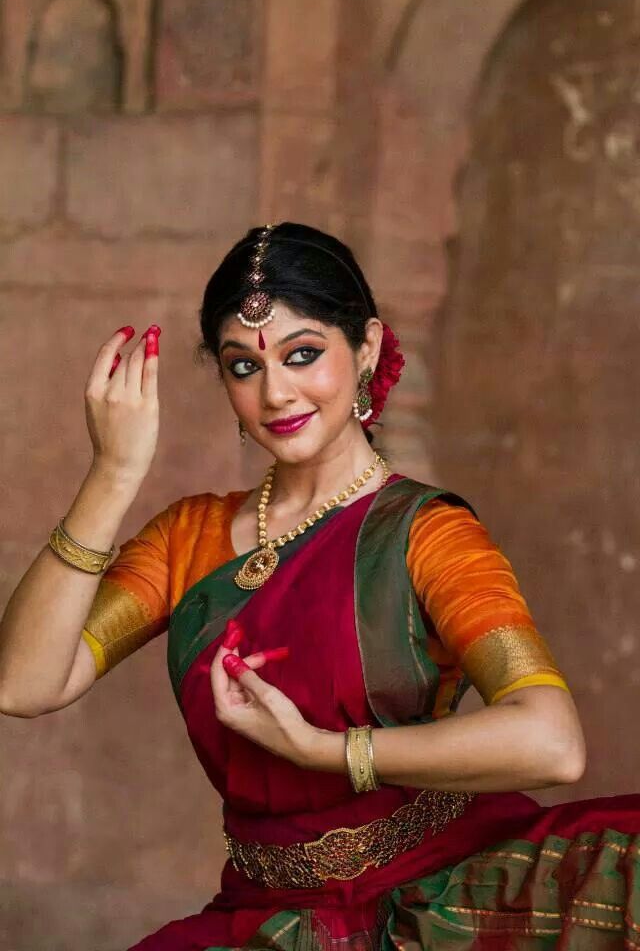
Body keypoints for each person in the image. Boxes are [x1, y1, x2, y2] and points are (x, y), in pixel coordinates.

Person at [1, 221, 638, 951]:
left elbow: (552, 743)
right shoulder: (188, 538)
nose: (276, 392)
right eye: (243, 367)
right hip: (264, 916)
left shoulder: (424, 533)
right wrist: (113, 473)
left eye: (304, 354)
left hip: (434, 902)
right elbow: (24, 685)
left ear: (365, 347)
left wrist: (331, 753)